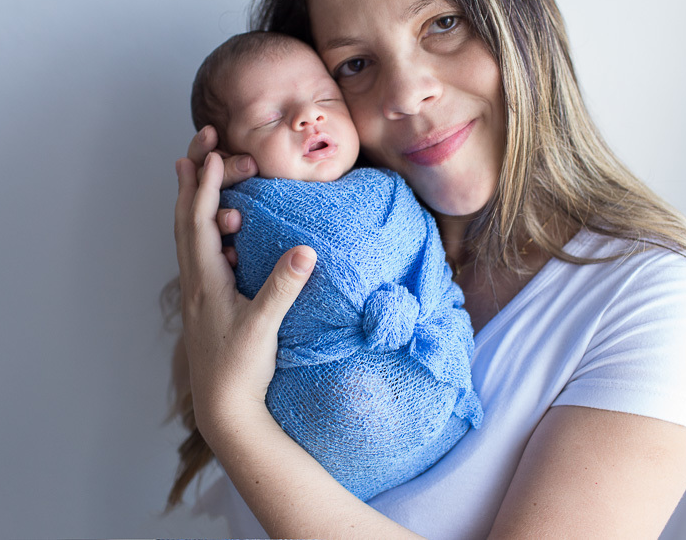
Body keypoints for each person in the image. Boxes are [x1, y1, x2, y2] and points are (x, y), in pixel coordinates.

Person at [171, 0, 686, 538]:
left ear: (520, 26)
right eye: (354, 63)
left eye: (442, 24)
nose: (409, 92)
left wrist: (232, 417)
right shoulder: (276, 284)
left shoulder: (662, 295)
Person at [166, 30, 482, 505]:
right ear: (234, 161)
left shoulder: (387, 188)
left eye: (325, 98)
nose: (308, 116)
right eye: (271, 117)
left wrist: (227, 414)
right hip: (326, 427)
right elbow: (338, 269)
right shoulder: (244, 218)